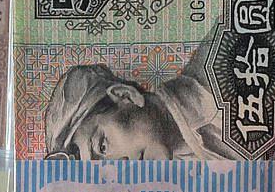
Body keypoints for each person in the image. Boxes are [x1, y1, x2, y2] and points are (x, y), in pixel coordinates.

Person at [44, 35, 240, 160]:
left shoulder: (225, 59)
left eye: (102, 146)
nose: (118, 169)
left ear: (125, 96)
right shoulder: (191, 184)